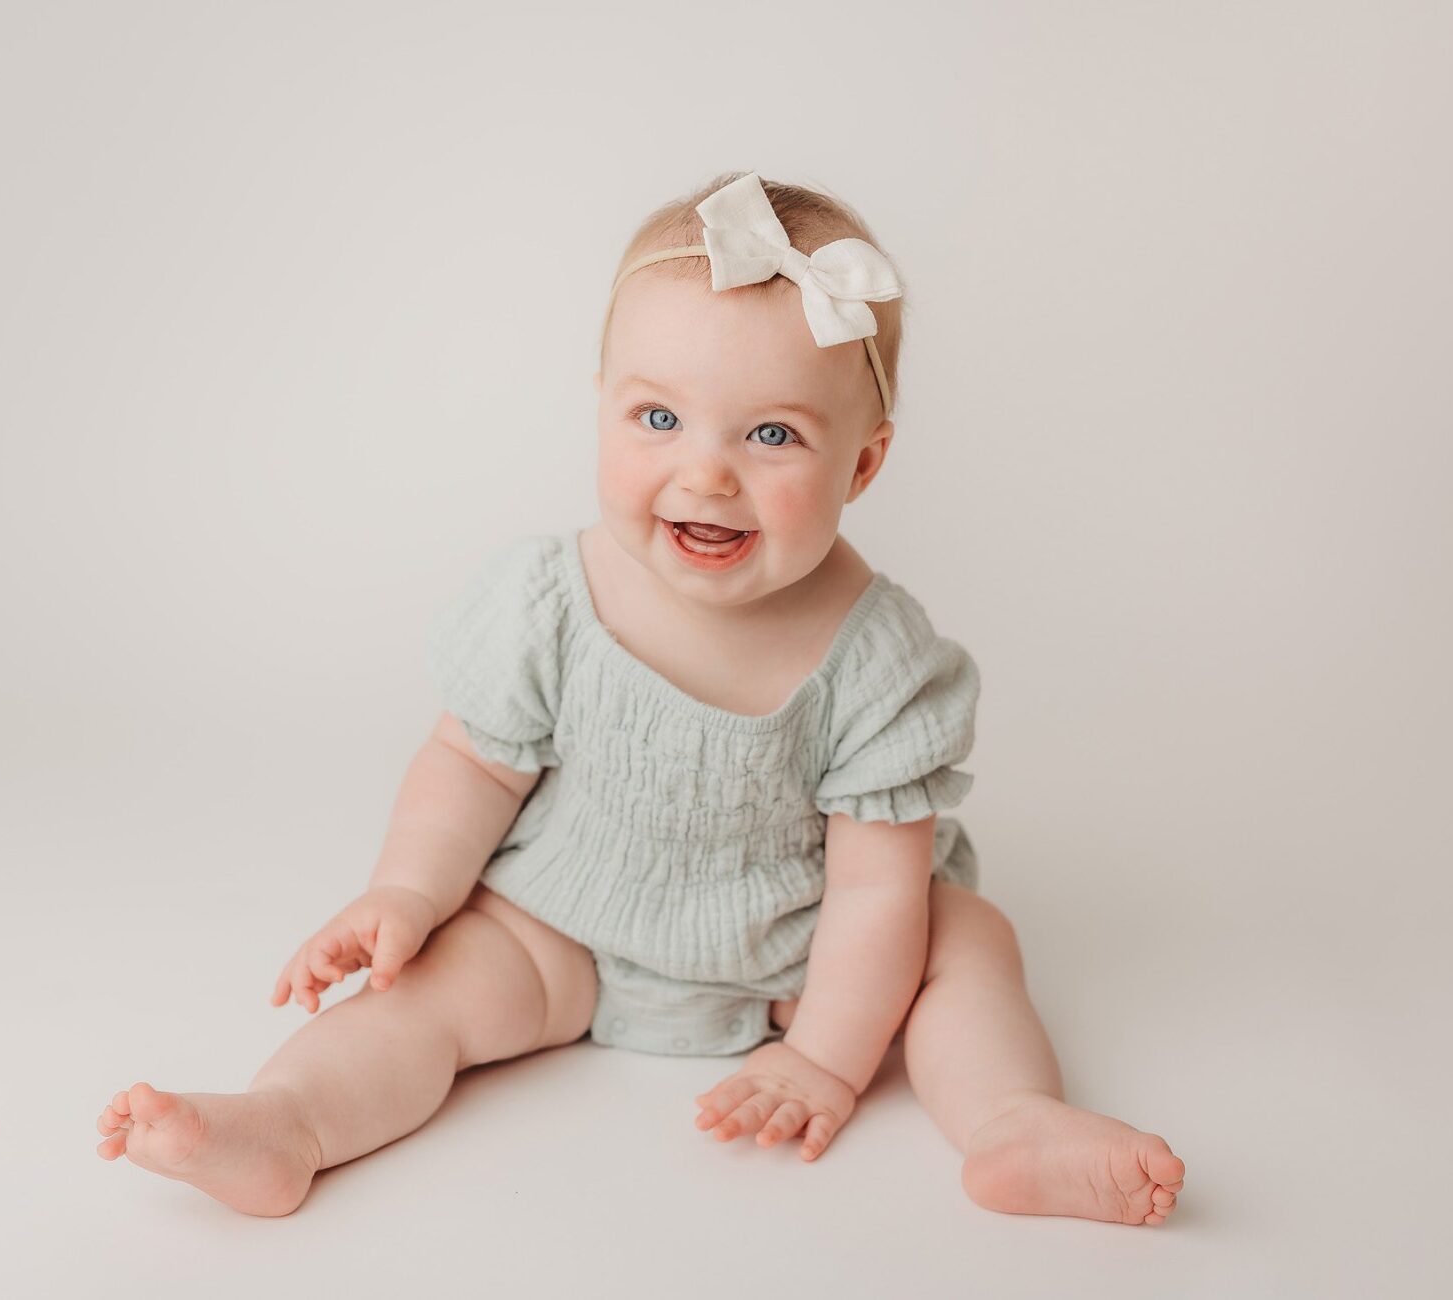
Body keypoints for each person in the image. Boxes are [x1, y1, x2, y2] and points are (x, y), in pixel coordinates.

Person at [95, 170, 1185, 1224]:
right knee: (417, 994)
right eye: (657, 419)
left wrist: (820, 1056)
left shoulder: (877, 658)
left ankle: (1010, 1120)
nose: (705, 473)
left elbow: (871, 897)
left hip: (799, 958)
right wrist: (408, 895)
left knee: (964, 941)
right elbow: (474, 763)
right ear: (599, 408)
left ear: (863, 465)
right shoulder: (551, 600)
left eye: (771, 435)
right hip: (560, 926)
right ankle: (287, 1124)